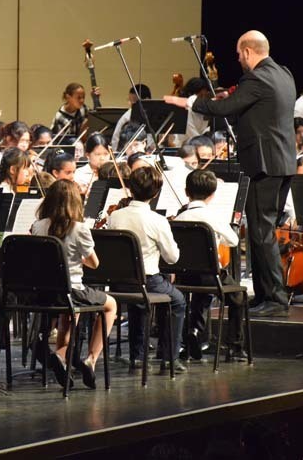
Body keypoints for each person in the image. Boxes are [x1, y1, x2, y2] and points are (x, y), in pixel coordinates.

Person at [165, 30, 296, 317]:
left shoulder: (257, 77)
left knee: (261, 233)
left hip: (264, 164)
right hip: (283, 162)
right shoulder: (284, 74)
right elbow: (256, 108)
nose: (238, 60)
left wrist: (187, 102)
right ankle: (265, 294)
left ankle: (275, 297)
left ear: (248, 52)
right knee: (264, 231)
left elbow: (224, 108)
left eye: (238, 55)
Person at [30, 180, 117, 388]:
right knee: (111, 305)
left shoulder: (38, 226)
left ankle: (62, 358)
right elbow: (94, 263)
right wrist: (79, 258)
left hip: (46, 292)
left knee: (67, 318)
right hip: (72, 290)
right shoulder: (79, 229)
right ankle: (91, 359)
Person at [109, 166, 185, 373]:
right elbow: (172, 257)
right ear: (156, 193)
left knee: (139, 304)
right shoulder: (157, 220)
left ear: (131, 188)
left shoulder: (114, 217)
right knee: (177, 300)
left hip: (119, 281)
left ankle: (138, 356)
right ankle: (169, 358)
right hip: (148, 281)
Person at [173, 169, 245, 360]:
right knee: (238, 298)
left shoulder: (178, 218)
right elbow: (233, 241)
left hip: (184, 277)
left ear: (186, 192)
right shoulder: (214, 217)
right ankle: (235, 348)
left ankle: (195, 331)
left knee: (200, 294)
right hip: (210, 276)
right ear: (213, 195)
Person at [111, 83, 152, 150]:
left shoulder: (157, 115)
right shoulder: (127, 117)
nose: (130, 103)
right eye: (129, 100)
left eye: (134, 101)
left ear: (146, 100)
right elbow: (115, 140)